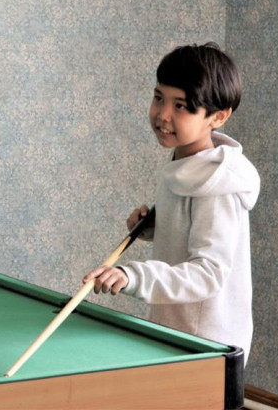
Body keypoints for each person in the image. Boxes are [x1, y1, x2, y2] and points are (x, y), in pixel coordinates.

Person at [83, 42, 260, 365]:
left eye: (181, 106)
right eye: (159, 97)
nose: (163, 115)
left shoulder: (217, 186)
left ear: (218, 117)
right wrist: (155, 225)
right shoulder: (185, 162)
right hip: (175, 330)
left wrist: (133, 276)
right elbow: (189, 232)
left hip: (207, 344)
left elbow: (208, 274)